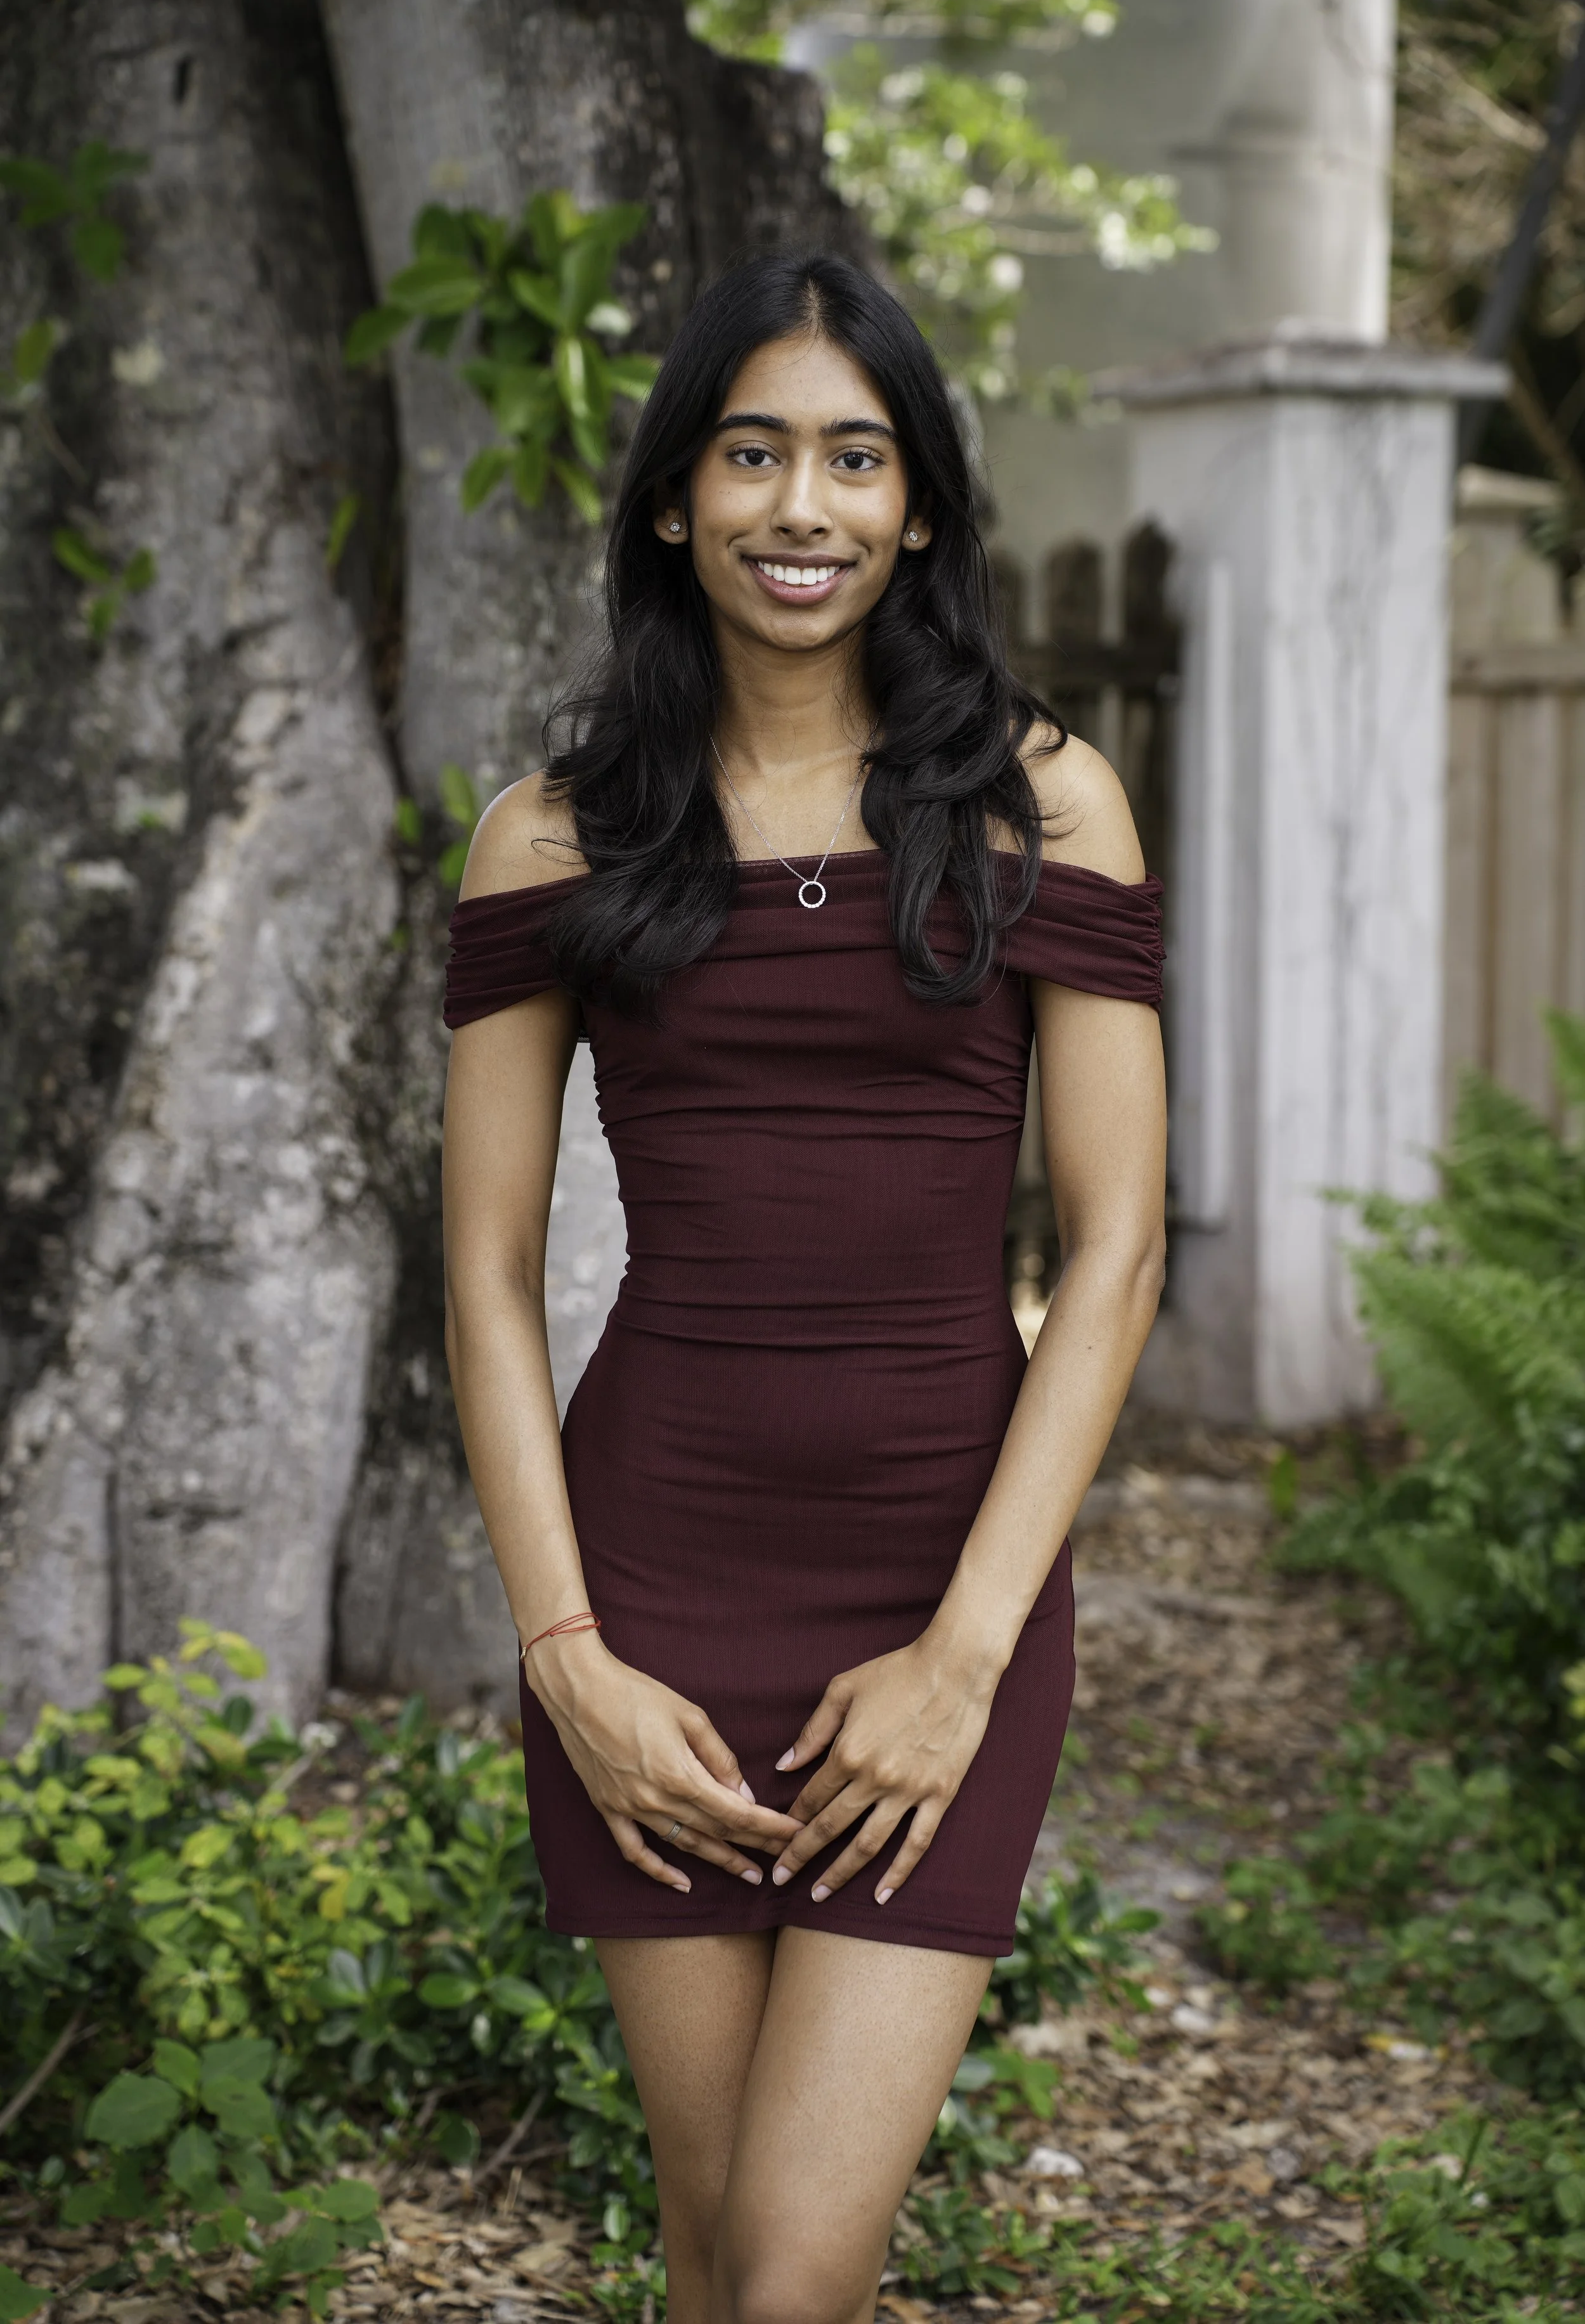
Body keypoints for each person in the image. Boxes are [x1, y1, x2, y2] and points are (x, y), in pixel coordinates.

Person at [441, 252, 1167, 2324]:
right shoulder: (554, 834)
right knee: (706, 2242)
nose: (801, 506)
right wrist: (564, 1647)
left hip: (947, 1587)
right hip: (651, 1588)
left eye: (855, 457)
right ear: (674, 495)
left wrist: (962, 1650)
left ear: (919, 505)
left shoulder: (1038, 798)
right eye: (751, 452)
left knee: (790, 2269)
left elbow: (1111, 1251)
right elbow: (486, 1271)